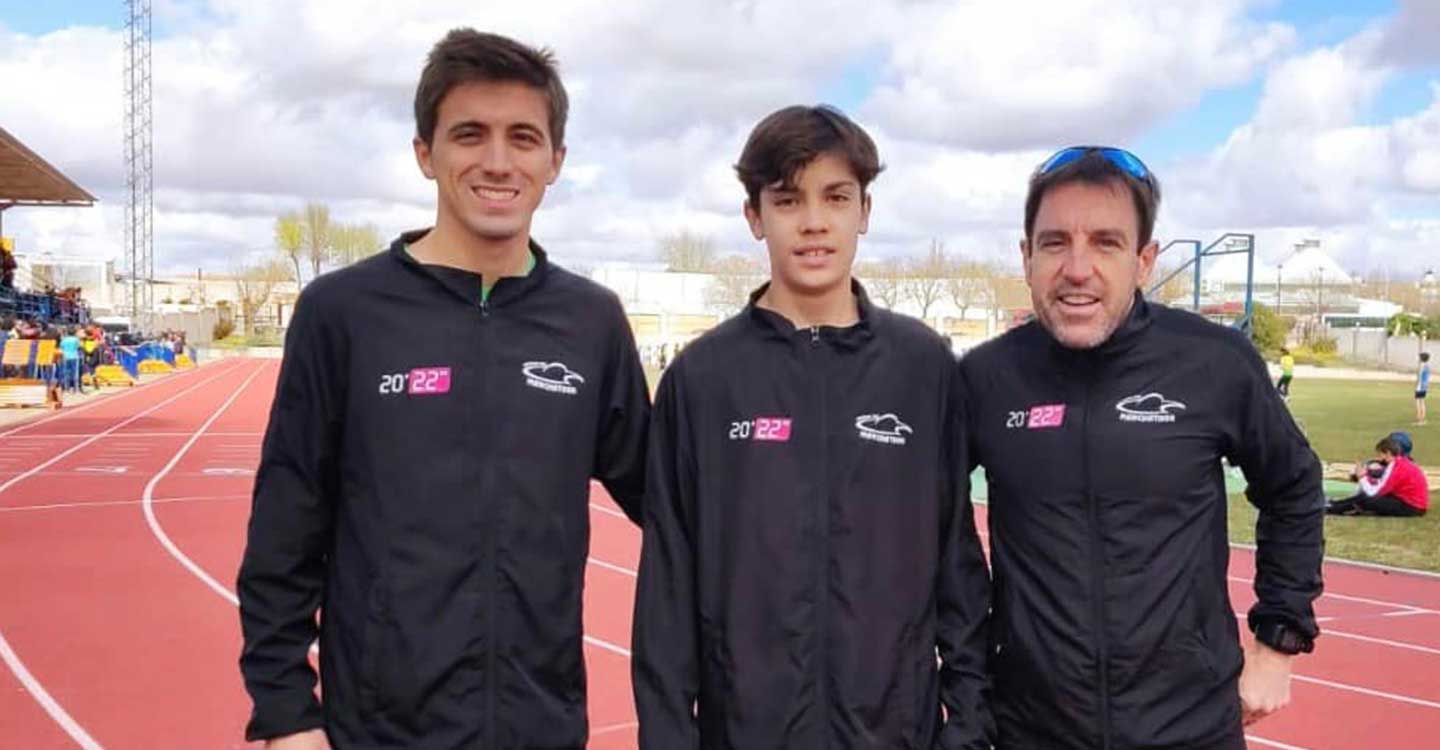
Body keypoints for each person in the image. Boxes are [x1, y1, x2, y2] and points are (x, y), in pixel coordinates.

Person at [237, 29, 650, 750]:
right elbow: (285, 522)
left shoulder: (590, 321)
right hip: (378, 730)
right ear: (426, 152)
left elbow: (675, 503)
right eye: (470, 134)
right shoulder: (344, 314)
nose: (497, 161)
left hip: (542, 724)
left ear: (555, 161)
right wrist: (285, 709)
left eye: (523, 138)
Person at [633, 105, 992, 749]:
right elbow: (667, 584)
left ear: (865, 211)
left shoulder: (923, 367)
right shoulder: (702, 379)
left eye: (836, 197)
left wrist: (963, 731)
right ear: (754, 217)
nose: (815, 222)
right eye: (788, 199)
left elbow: (957, 564)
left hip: (894, 734)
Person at [958, 146, 1324, 750]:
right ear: (1026, 258)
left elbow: (1293, 488)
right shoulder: (984, 379)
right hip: (1030, 727)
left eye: (1106, 242)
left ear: (1144, 260)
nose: (1078, 268)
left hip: (1188, 724)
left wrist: (1278, 639)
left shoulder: (1213, 363)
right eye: (1054, 243)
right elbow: (927, 525)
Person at [1327, 436, 1428, 517]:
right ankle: (1334, 504)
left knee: (1366, 501)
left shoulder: (1396, 468)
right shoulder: (1400, 463)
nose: (1379, 458)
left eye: (1380, 454)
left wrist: (1362, 477)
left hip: (1412, 506)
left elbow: (1373, 492)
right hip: (1411, 502)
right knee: (1365, 497)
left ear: (1388, 453)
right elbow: (1382, 485)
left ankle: (1331, 509)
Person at [1418, 352, 1430, 425]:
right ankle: (1421, 419)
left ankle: (1421, 420)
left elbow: (1421, 377)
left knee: (1420, 402)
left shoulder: (1423, 366)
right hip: (1424, 386)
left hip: (1421, 386)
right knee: (1422, 402)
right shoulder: (1426, 366)